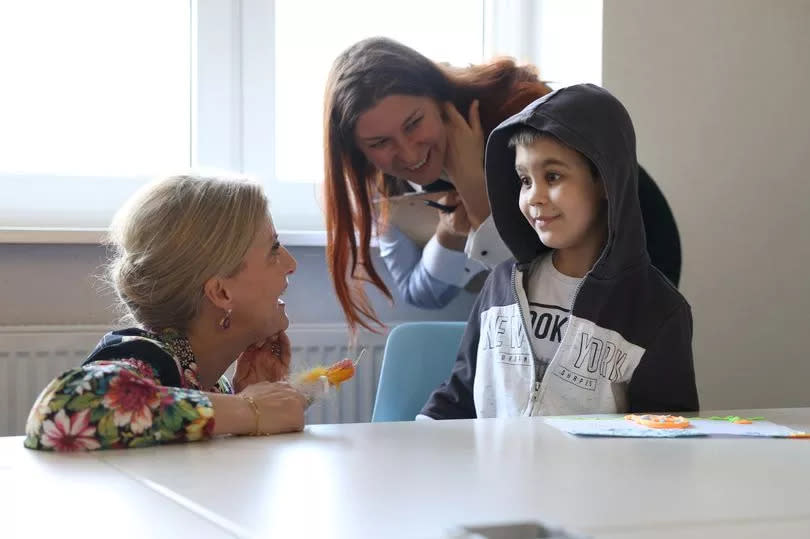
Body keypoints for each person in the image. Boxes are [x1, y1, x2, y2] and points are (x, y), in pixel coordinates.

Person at [323, 37, 682, 331]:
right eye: (379, 143)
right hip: (543, 308)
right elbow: (422, 293)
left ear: (439, 99)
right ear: (358, 150)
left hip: (636, 255)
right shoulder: (380, 183)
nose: (406, 152)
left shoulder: (520, 111)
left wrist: (476, 189)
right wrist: (448, 237)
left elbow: (550, 278)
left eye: (414, 123)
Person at [419, 84, 699, 418]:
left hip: (599, 472)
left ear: (605, 181)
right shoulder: (500, 284)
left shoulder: (658, 310)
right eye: (525, 180)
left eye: (552, 176)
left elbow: (666, 436)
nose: (534, 197)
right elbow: (459, 394)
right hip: (495, 470)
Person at [24, 173, 308, 451]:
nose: (291, 263)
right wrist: (248, 409)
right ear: (221, 293)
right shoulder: (147, 356)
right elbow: (65, 408)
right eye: (273, 248)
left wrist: (248, 396)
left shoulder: (204, 380)